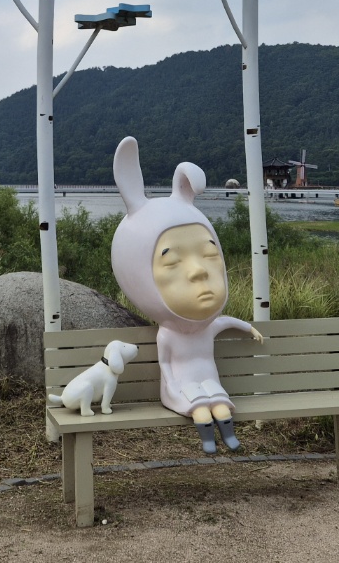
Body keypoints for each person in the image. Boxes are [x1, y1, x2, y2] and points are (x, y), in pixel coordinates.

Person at [112, 136, 263, 454]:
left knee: (220, 406)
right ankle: (209, 439)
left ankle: (228, 436)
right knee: (202, 410)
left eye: (209, 255)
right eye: (172, 262)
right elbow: (165, 364)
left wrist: (250, 328)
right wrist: (170, 382)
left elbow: (228, 322)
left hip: (210, 382)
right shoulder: (168, 333)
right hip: (181, 388)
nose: (198, 272)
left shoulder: (208, 326)